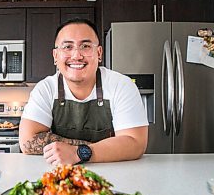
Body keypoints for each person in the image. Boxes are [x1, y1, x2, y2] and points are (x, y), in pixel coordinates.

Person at [19, 18, 148, 166]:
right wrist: (102, 148)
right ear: (55, 56)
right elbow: (27, 142)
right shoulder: (46, 89)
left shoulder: (122, 85)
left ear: (99, 53)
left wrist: (78, 152)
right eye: (67, 47)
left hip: (113, 177)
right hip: (59, 177)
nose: (76, 56)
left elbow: (135, 144)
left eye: (85, 46)